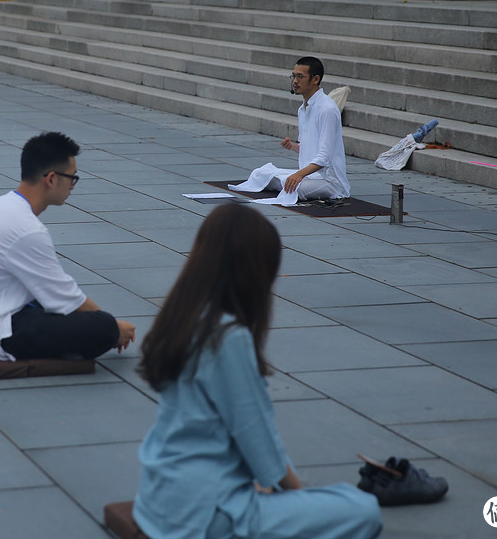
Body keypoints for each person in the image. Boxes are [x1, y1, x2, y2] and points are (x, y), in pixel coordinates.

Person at [133, 203, 381, 539]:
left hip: (156, 502)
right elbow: (258, 440)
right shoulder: (227, 337)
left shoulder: (185, 317)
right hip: (203, 515)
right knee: (359, 508)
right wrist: (295, 495)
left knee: (328, 500)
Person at [0, 131, 135, 362]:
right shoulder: (26, 229)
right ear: (51, 178)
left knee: (63, 313)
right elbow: (67, 298)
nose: (73, 185)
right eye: (72, 177)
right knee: (100, 327)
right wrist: (113, 328)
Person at [280, 56, 350, 200]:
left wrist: (299, 175)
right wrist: (293, 146)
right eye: (293, 76)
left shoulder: (327, 109)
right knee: (261, 174)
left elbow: (324, 158)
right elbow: (310, 149)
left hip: (330, 182)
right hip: (310, 177)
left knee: (293, 189)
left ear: (315, 79)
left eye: (300, 77)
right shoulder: (303, 108)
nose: (294, 81)